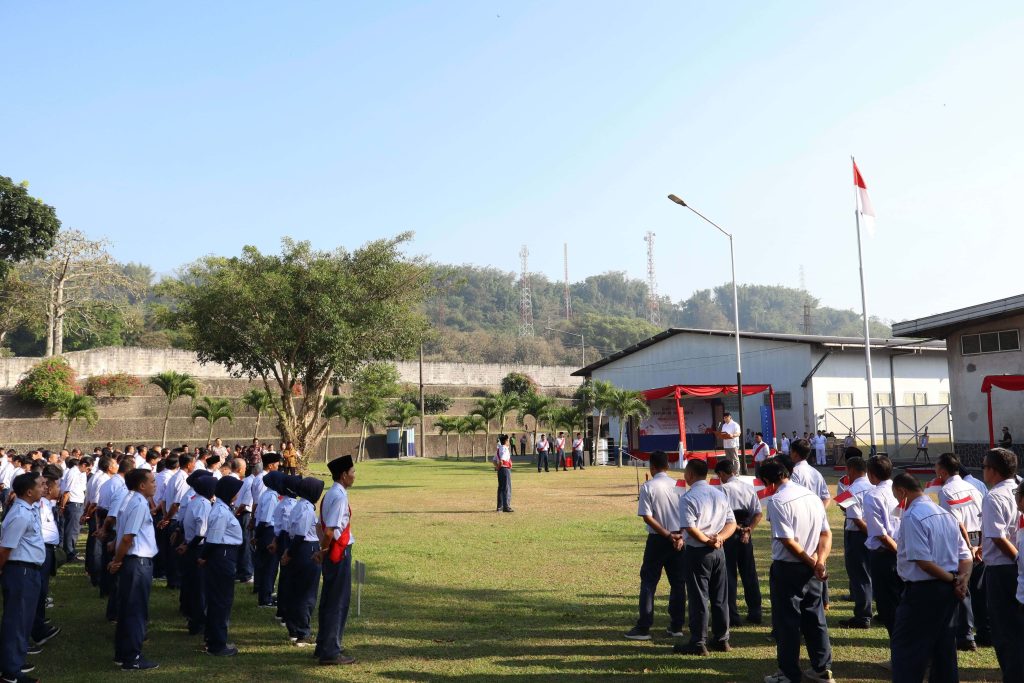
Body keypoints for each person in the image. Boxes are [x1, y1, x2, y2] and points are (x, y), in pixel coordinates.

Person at [890, 473, 973, 683]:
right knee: (943, 650)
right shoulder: (945, 514)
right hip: (947, 591)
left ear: (902, 492)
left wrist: (954, 579)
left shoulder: (912, 516)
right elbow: (966, 556)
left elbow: (922, 561)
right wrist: (963, 579)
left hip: (924, 591)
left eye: (897, 497)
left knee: (908, 651)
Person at [758, 457, 833, 683]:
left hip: (789, 567)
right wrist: (820, 561)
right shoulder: (812, 497)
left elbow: (788, 541)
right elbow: (825, 534)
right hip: (812, 567)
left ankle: (789, 673)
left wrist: (814, 563)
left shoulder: (778, 501)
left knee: (787, 622)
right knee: (815, 618)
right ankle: (822, 669)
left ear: (767, 481)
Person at [673, 458, 735, 656]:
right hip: (718, 551)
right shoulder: (719, 493)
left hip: (698, 551)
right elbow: (731, 523)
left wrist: (708, 541)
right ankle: (722, 638)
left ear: (690, 475)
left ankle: (699, 642)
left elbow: (690, 527)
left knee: (699, 597)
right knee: (720, 597)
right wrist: (719, 539)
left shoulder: (688, 497)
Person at [624, 451, 686, 641]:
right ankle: (676, 625)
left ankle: (644, 626)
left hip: (659, 539)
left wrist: (667, 535)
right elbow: (688, 513)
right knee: (678, 583)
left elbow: (647, 516)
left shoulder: (648, 486)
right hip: (679, 538)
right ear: (667, 465)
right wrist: (680, 536)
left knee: (649, 582)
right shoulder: (680, 485)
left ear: (652, 467)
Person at [934, 452, 988, 649]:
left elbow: (956, 524)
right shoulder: (973, 488)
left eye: (936, 467)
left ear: (942, 471)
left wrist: (968, 547)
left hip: (962, 543)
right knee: (980, 588)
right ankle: (984, 631)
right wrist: (980, 544)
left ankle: (965, 636)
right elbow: (984, 517)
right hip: (979, 539)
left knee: (962, 587)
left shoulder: (946, 491)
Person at [110, 468, 159, 670]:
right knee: (136, 610)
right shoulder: (138, 504)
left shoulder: (130, 500)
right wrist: (117, 561)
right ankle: (132, 658)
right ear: (141, 485)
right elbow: (128, 537)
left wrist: (117, 559)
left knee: (128, 609)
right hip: (137, 562)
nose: (155, 485)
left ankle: (123, 653)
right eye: (152, 482)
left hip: (133, 562)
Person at [980, 447, 1022, 681]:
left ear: (993, 471)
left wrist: (1017, 559)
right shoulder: (1020, 487)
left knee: (1005, 627)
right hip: (1017, 565)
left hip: (1004, 568)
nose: (983, 472)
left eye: (984, 467)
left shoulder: (994, 496)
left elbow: (997, 536)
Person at [0, 473, 46, 683]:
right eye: (41, 485)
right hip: (20, 571)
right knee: (17, 621)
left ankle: (14, 661)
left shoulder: (28, 509)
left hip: (29, 571)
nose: (44, 487)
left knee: (23, 620)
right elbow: (5, 549)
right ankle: (10, 672)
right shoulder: (20, 514)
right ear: (29, 491)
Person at [315, 455, 357, 666]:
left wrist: (322, 548)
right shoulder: (339, 497)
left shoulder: (331, 493)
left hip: (332, 551)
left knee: (329, 600)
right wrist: (323, 549)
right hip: (338, 552)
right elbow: (330, 530)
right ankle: (331, 650)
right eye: (352, 472)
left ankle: (323, 644)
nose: (354, 476)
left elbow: (319, 526)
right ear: (343, 475)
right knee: (337, 602)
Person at [863, 455, 901, 668]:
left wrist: (897, 553)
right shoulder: (898, 490)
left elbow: (881, 534)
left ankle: (900, 657)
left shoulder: (873, 496)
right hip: (903, 551)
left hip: (886, 555)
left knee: (889, 608)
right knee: (902, 604)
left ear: (871, 474)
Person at [715, 459, 762, 625]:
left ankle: (733, 615)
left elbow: (722, 516)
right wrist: (748, 529)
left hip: (729, 534)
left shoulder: (722, 489)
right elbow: (758, 513)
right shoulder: (748, 488)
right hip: (746, 534)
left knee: (729, 575)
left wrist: (736, 529)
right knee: (749, 573)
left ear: (721, 474)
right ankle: (755, 611)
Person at [201, 475, 244, 656]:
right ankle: (218, 644)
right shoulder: (220, 511)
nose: (237, 495)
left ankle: (214, 638)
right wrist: (204, 557)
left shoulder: (222, 508)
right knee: (221, 600)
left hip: (224, 554)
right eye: (235, 492)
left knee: (219, 599)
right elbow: (213, 540)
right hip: (222, 556)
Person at [283, 477, 325, 647]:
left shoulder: (298, 505)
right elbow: (300, 534)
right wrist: (290, 554)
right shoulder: (306, 509)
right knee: (306, 593)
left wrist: (289, 552)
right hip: (306, 549)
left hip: (298, 548)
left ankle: (294, 629)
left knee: (296, 590)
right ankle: (303, 633)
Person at [834, 456, 874, 629]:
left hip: (858, 535)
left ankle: (863, 615)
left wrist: (871, 534)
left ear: (851, 470)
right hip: (876, 534)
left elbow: (855, 519)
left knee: (859, 575)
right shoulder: (874, 486)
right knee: (874, 573)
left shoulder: (852, 489)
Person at [180, 471, 215, 635]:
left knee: (193, 585)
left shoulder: (195, 500)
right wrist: (189, 546)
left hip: (191, 546)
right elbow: (202, 532)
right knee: (200, 587)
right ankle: (199, 621)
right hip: (197, 547)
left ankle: (193, 618)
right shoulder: (203, 504)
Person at [32, 466, 63, 649]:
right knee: (39, 591)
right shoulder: (40, 505)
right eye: (57, 486)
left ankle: (39, 625)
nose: (60, 489)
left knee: (42, 590)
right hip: (41, 550)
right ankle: (36, 629)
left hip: (48, 549)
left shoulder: (48, 504)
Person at [253, 470, 282, 608]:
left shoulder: (267, 494)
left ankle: (266, 593)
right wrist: (258, 536)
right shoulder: (271, 497)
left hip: (264, 532)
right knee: (269, 567)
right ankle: (265, 598)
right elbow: (265, 520)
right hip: (268, 533)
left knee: (267, 566)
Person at [58, 455, 90, 562]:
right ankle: (69, 554)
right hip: (74, 504)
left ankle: (69, 552)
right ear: (84, 465)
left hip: (77, 504)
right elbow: (67, 492)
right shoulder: (73, 473)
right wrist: (62, 506)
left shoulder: (79, 473)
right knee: (72, 530)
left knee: (73, 530)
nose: (88, 471)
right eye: (88, 468)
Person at [493, 435, 513, 513]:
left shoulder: (499, 449)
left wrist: (497, 467)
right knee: (506, 488)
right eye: (508, 441)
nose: (509, 442)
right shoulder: (505, 449)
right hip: (505, 469)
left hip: (501, 470)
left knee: (501, 488)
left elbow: (494, 460)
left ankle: (499, 506)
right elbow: (502, 460)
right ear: (506, 441)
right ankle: (506, 506)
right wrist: (498, 467)